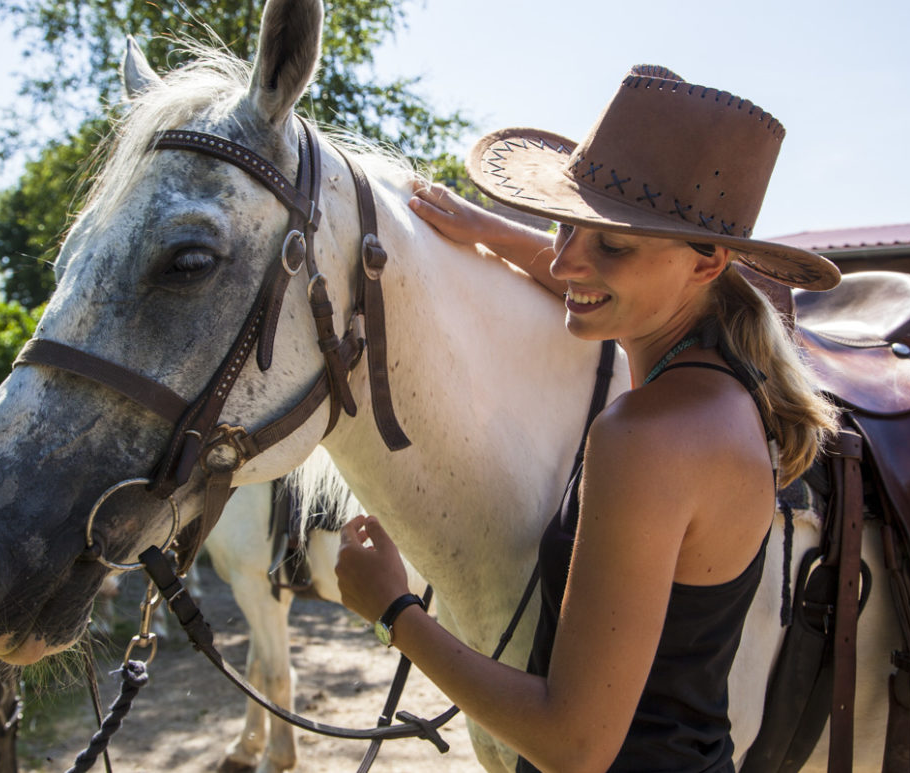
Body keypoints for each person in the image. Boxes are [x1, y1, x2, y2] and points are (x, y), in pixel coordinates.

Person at [334, 64, 842, 773]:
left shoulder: (645, 437)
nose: (567, 259)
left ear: (707, 264)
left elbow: (574, 743)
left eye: (611, 243)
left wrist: (394, 610)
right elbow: (592, 275)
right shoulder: (726, 386)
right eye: (564, 226)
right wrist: (496, 234)